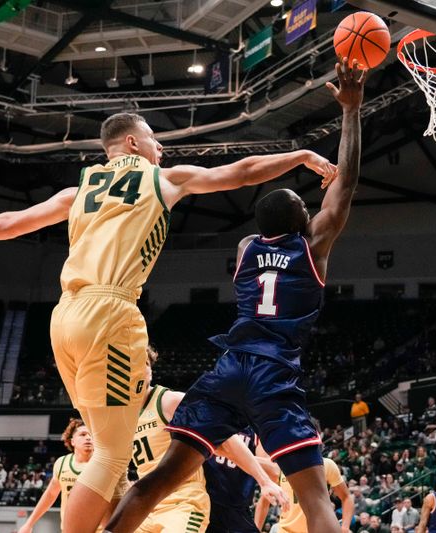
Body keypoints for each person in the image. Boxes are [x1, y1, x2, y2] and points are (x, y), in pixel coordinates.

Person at [0, 111, 336, 532]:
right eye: (153, 139)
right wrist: (301, 155)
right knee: (110, 453)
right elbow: (240, 173)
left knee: (108, 450)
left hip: (64, 315)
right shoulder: (160, 179)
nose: (159, 147)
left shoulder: (78, 190)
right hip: (109, 312)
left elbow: (11, 223)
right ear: (131, 143)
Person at [101, 58, 366, 533]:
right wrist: (351, 110)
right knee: (316, 497)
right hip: (273, 375)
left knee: (157, 480)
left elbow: (272, 225)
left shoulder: (246, 250)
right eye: (305, 207)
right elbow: (344, 186)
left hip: (228, 369)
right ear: (300, 220)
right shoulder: (313, 248)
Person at [136, 344, 284, 533]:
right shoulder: (208, 406)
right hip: (193, 501)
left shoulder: (257, 426)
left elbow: (275, 471)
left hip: (230, 508)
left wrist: (214, 448)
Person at [17, 418, 96, 532]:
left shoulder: (102, 464)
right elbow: (50, 494)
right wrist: (29, 523)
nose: (88, 438)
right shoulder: (62, 463)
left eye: (91, 435)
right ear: (72, 441)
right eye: (83, 434)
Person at [255, 454, 354, 533]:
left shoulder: (326, 464)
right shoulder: (281, 467)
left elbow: (347, 497)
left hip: (319, 528)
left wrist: (345, 527)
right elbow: (264, 502)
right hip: (286, 529)